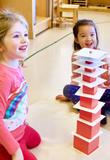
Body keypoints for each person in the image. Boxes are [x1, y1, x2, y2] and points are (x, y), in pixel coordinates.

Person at [56, 19, 110, 124]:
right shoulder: (76, 55)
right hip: (86, 92)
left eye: (92, 34)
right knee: (67, 89)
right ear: (76, 39)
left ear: (96, 36)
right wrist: (69, 95)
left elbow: (109, 82)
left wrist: (107, 77)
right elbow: (75, 76)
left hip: (105, 91)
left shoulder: (103, 55)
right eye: (83, 35)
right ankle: (94, 108)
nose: (88, 39)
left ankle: (94, 107)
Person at [0, 10, 41, 160]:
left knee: (36, 140)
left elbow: (17, 99)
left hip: (19, 128)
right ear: (1, 45)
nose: (24, 40)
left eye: (25, 34)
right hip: (5, 138)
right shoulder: (3, 78)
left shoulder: (15, 63)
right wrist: (15, 150)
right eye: (16, 36)